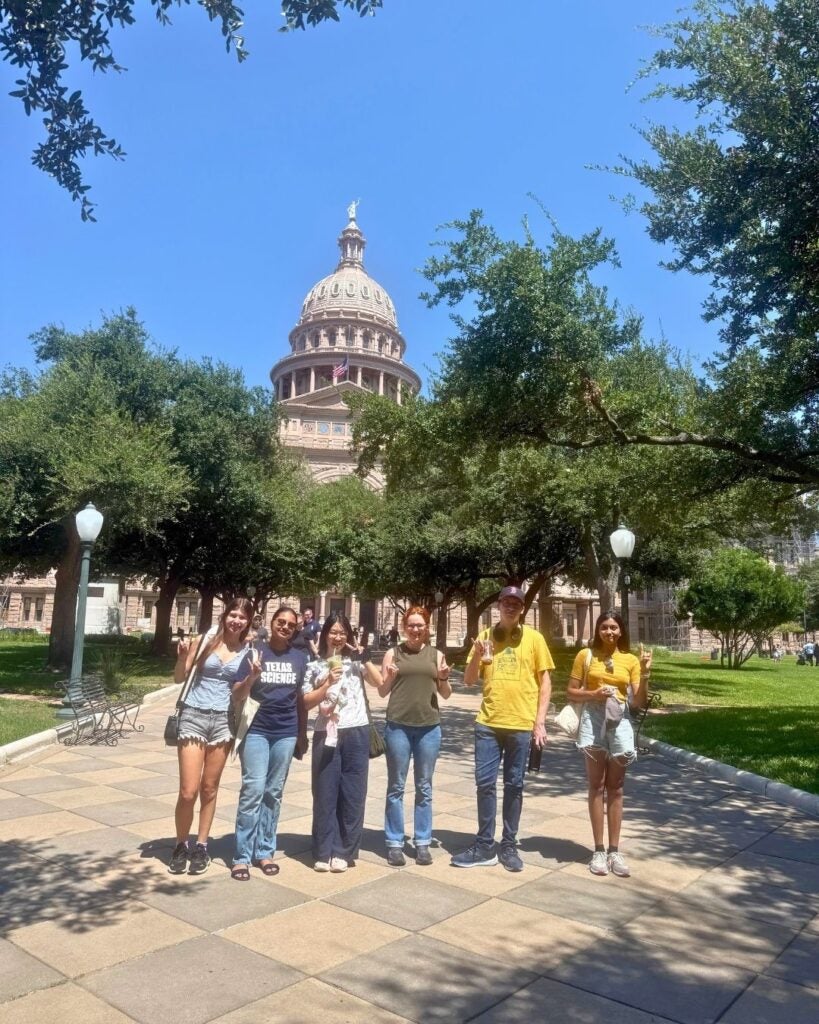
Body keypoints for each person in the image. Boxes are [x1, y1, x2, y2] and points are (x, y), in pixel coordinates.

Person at [452, 586, 553, 872]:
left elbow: (545, 682)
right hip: (487, 724)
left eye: (516, 604)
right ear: (498, 605)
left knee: (514, 785)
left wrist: (540, 721)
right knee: (484, 784)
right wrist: (476, 655)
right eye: (506, 602)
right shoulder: (485, 638)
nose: (511, 607)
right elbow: (470, 680)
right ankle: (484, 845)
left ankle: (508, 845)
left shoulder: (534, 639)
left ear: (522, 609)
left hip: (521, 725)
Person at [169, 598, 253, 876]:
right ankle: (181, 843)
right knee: (188, 790)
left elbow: (239, 693)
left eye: (242, 617)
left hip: (223, 721)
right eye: (233, 614)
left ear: (247, 622)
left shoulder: (248, 651)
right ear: (224, 615)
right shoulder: (206, 639)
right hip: (193, 715)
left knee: (209, 789)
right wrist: (182, 657)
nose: (236, 620)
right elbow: (179, 678)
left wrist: (252, 677)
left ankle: (201, 845)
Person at [567, 610, 651, 878]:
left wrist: (646, 674)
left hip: (619, 721)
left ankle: (615, 850)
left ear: (621, 631)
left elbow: (637, 703)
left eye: (614, 627)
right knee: (596, 785)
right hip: (592, 720)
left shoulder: (630, 660)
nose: (609, 632)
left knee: (616, 787)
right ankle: (599, 850)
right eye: (604, 627)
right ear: (598, 630)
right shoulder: (585, 655)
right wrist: (594, 693)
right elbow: (570, 691)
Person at [230, 606, 308, 880]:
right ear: (272, 623)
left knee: (273, 792)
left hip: (285, 733)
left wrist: (302, 734)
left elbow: (300, 699)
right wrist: (251, 676)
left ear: (295, 629)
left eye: (290, 624)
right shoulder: (254, 652)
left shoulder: (300, 658)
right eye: (281, 621)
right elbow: (237, 695)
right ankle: (241, 856)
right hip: (256, 732)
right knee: (253, 790)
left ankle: (264, 851)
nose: (285, 627)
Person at [302, 613, 381, 871]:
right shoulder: (315, 665)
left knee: (353, 794)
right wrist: (327, 682)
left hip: (356, 731)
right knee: (325, 792)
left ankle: (344, 851)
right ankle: (323, 850)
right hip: (327, 732)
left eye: (342, 632)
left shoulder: (355, 663)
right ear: (325, 634)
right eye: (333, 632)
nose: (338, 637)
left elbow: (379, 683)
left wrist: (363, 655)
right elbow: (306, 702)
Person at [378, 606, 451, 866]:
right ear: (404, 627)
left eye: (420, 625)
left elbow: (446, 694)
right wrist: (389, 676)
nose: (416, 629)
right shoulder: (393, 653)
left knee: (424, 787)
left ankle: (422, 841)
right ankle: (394, 842)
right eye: (411, 625)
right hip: (398, 725)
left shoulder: (436, 654)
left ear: (427, 627)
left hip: (429, 727)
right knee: (396, 786)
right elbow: (382, 692)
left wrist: (442, 678)